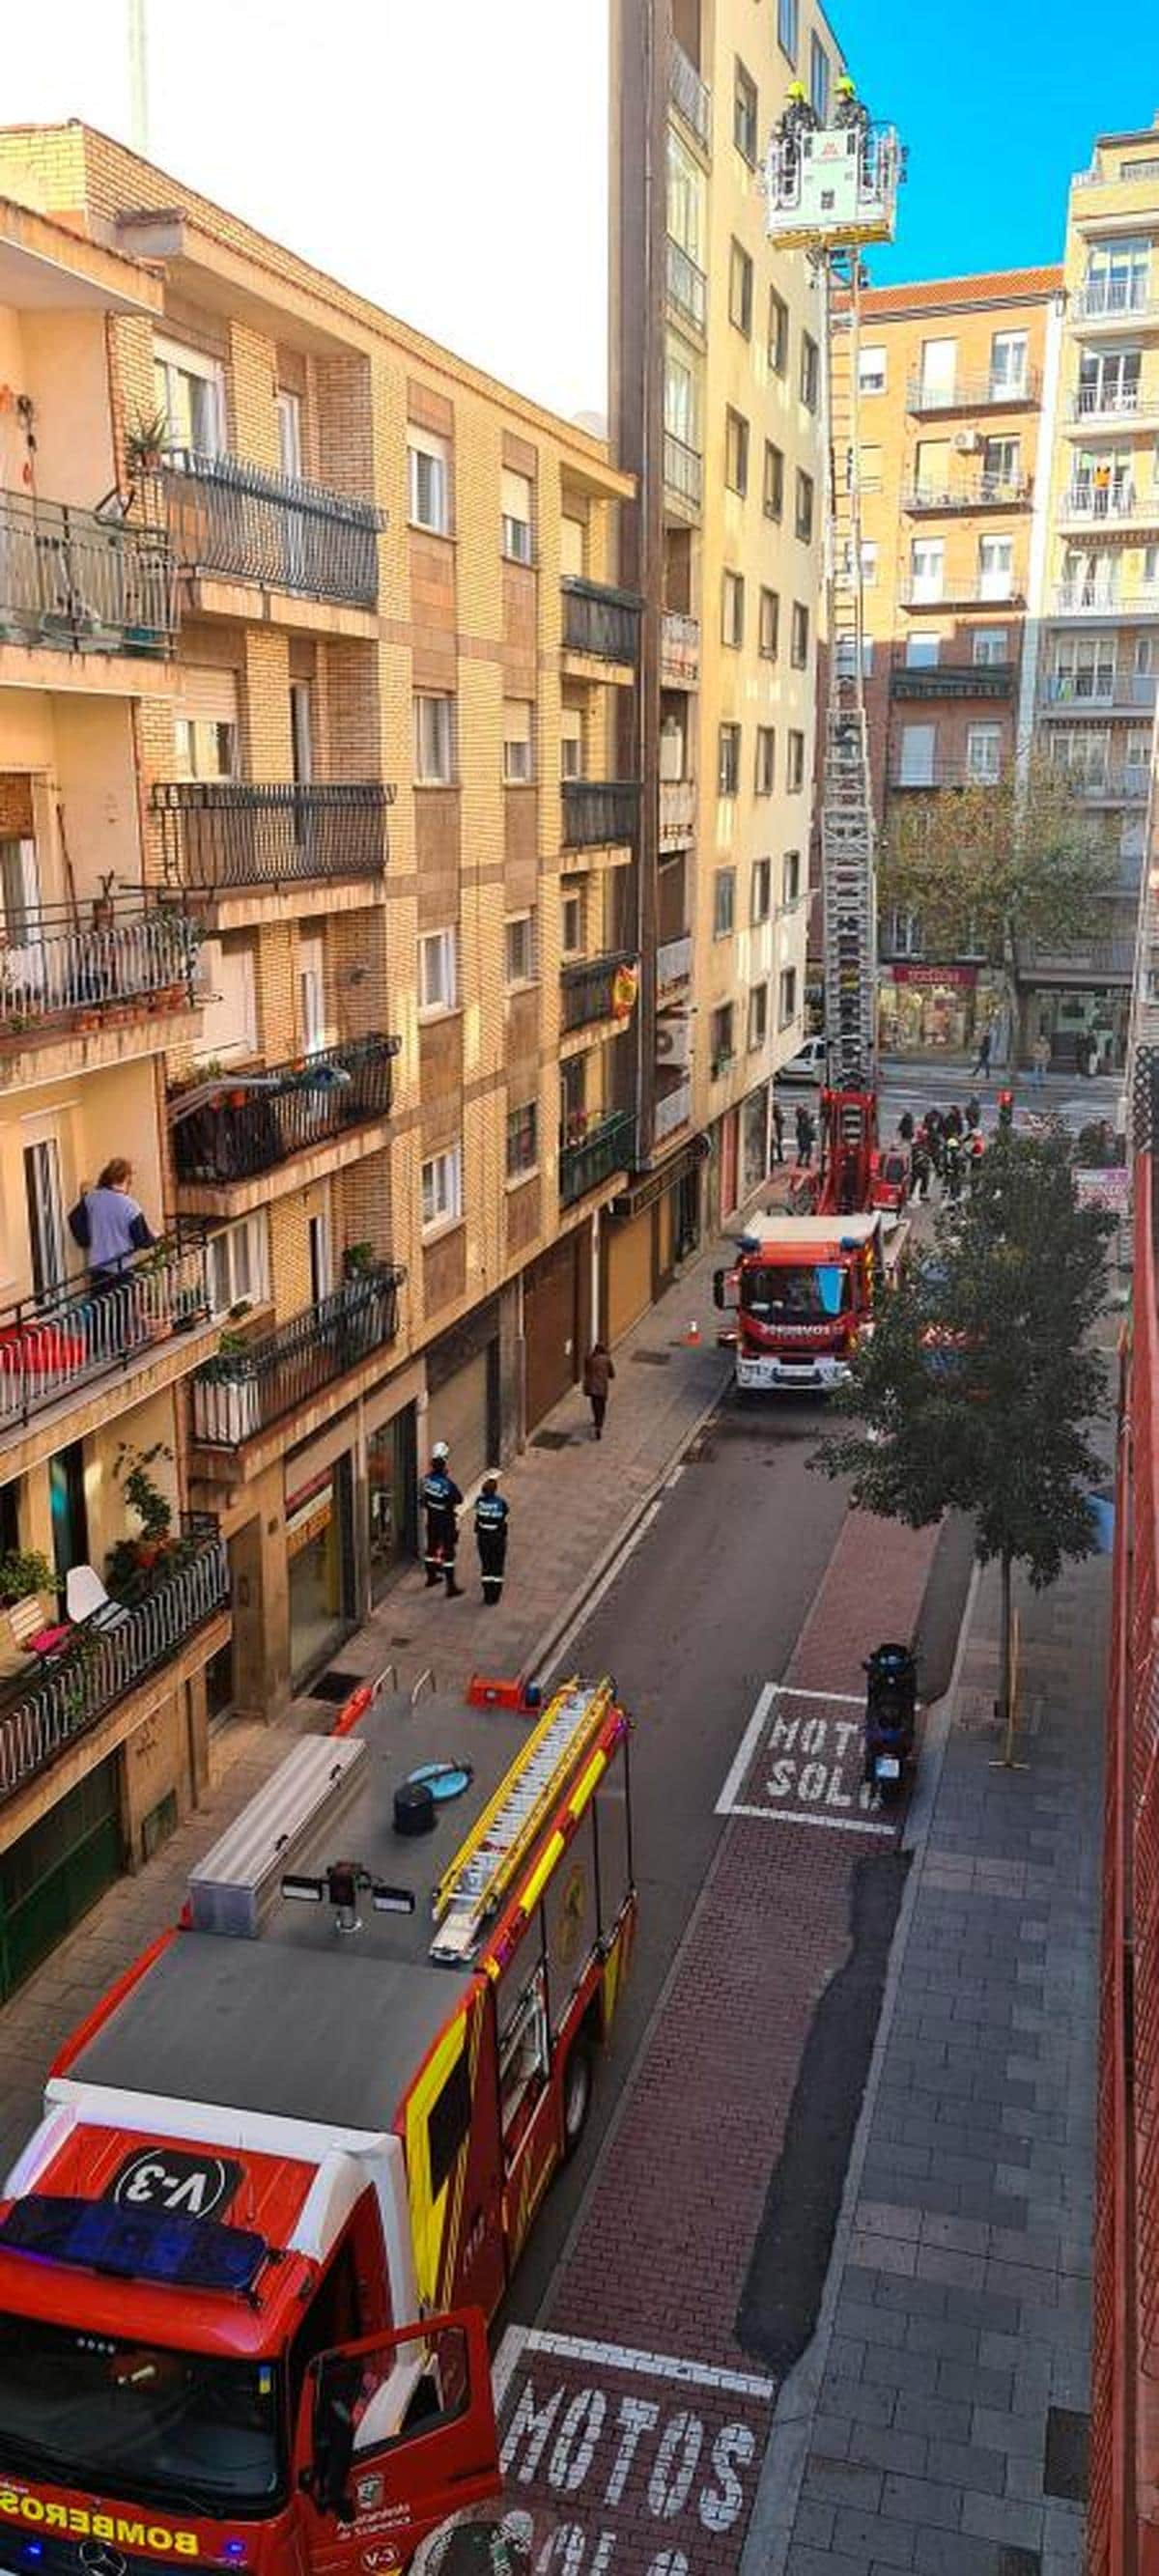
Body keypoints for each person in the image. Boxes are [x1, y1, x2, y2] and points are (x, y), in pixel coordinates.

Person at [68, 1159, 155, 1292]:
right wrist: (154, 1237)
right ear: (126, 1179)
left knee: (101, 1309)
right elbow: (142, 1241)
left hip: (98, 1268)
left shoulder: (92, 1198)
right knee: (121, 1310)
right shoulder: (130, 1206)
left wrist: (85, 1240)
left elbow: (74, 1219)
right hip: (122, 1270)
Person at [421, 1442, 464, 1597]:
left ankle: (431, 1577)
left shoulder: (427, 1480)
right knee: (448, 1554)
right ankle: (451, 1587)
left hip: (432, 1520)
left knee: (431, 1550)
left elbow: (423, 1500)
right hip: (446, 1523)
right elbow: (459, 1499)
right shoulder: (447, 1484)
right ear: (444, 1466)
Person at [474, 1474, 509, 1607]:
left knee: (486, 1565)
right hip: (497, 1537)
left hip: (483, 1538)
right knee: (498, 1566)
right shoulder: (500, 1502)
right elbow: (505, 1512)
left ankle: (487, 1595)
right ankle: (495, 1595)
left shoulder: (479, 1501)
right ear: (495, 1490)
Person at [582, 1342, 615, 1442]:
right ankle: (599, 1424)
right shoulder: (606, 1359)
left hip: (592, 1387)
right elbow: (612, 1374)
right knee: (602, 1406)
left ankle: (596, 1421)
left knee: (594, 1405)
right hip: (602, 1387)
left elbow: (586, 1371)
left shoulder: (589, 1358)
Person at [909, 1136, 931, 1203]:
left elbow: (928, 1156)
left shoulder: (924, 1148)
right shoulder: (916, 1149)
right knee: (914, 1181)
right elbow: (912, 1159)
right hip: (917, 1168)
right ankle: (911, 1194)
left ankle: (922, 1194)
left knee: (924, 1180)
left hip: (922, 1168)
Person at [795, 1102, 815, 1167]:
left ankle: (799, 1162)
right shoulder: (804, 1119)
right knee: (808, 1150)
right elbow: (807, 1126)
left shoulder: (801, 1119)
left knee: (802, 1150)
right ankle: (806, 1162)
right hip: (804, 1136)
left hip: (802, 1135)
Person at [772, 1098, 784, 1166]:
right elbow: (782, 1121)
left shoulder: (775, 1113)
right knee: (778, 1146)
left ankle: (779, 1159)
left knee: (776, 1146)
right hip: (777, 1132)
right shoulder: (778, 1113)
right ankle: (780, 1159)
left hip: (776, 1133)